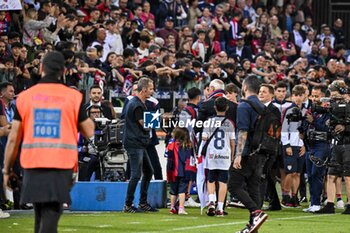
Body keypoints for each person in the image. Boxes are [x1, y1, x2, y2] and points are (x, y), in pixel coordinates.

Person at [2, 51, 95, 233]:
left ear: (42, 68)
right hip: (61, 164)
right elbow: (89, 131)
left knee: (39, 213)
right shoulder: (73, 97)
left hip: (33, 163)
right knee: (51, 214)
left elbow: (13, 138)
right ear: (63, 71)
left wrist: (7, 170)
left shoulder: (25, 97)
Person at [229, 75, 268, 233]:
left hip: (246, 153)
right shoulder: (263, 107)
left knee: (234, 185)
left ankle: (256, 212)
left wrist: (238, 154)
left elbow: (243, 130)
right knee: (253, 188)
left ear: (244, 88)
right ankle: (254, 226)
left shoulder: (244, 106)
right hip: (260, 152)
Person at [123, 77, 158, 213]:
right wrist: (158, 120)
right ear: (144, 89)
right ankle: (128, 204)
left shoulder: (138, 102)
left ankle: (142, 203)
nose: (152, 91)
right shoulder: (136, 104)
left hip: (139, 142)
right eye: (150, 88)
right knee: (136, 174)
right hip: (134, 142)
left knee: (149, 171)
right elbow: (144, 125)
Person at [203, 97, 235, 217]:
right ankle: (220, 208)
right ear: (227, 108)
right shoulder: (230, 123)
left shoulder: (208, 122)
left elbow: (204, 138)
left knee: (210, 179)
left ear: (215, 107)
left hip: (212, 154)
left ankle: (211, 201)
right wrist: (232, 156)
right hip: (225, 155)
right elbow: (232, 142)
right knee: (223, 182)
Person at [303, 86, 330, 213]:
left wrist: (313, 121)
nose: (314, 98)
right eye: (312, 96)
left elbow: (327, 130)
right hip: (310, 145)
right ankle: (313, 202)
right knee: (310, 175)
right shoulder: (310, 111)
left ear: (323, 97)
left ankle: (317, 203)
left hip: (322, 145)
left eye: (316, 96)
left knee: (316, 174)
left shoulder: (328, 112)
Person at [280, 85, 307, 208]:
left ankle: (294, 196)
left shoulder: (304, 111)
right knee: (290, 172)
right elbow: (284, 130)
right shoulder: (289, 110)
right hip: (290, 145)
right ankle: (285, 197)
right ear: (292, 97)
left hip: (299, 145)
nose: (298, 98)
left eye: (300, 95)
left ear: (304, 96)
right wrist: (287, 145)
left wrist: (303, 145)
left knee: (297, 174)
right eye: (296, 95)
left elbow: (303, 131)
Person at [258, 84, 282, 211]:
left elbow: (274, 130)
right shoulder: (259, 107)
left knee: (262, 174)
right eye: (260, 91)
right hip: (261, 146)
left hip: (269, 147)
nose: (261, 94)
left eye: (264, 92)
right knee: (266, 175)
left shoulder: (274, 110)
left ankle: (258, 204)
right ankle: (275, 203)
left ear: (272, 95)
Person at [166, 127, 192, 215]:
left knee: (173, 190)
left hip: (172, 170)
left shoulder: (171, 143)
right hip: (184, 170)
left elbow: (166, 154)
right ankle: (181, 207)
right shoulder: (188, 145)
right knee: (182, 191)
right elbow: (189, 158)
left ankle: (172, 207)